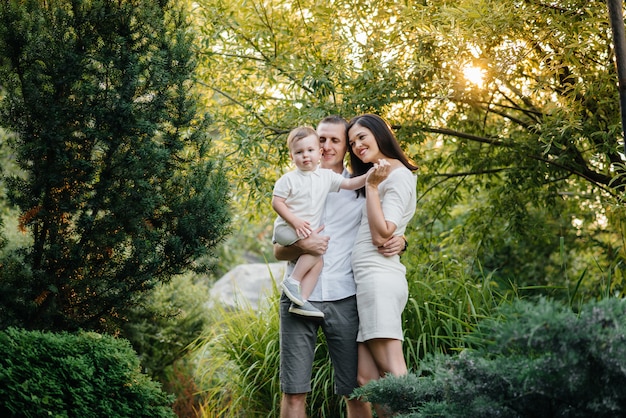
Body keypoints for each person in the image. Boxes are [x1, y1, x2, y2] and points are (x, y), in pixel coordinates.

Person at [274, 116, 407, 418]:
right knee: (294, 393)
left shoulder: (363, 191)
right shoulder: (295, 185)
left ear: (346, 147)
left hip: (345, 299)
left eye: (336, 140)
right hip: (299, 299)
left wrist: (402, 240)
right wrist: (303, 247)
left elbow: (384, 228)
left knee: (357, 391)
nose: (327, 146)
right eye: (322, 139)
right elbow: (278, 250)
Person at [346, 114, 418, 417]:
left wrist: (373, 188)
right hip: (366, 281)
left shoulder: (397, 175)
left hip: (379, 279)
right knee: (366, 381)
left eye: (362, 137)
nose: (358, 145)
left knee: (394, 373)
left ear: (379, 134)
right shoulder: (378, 175)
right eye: (352, 143)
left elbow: (382, 233)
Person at [272, 126, 368, 318]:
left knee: (318, 260)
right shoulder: (289, 180)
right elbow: (277, 204)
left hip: (342, 292)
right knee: (316, 252)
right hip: (288, 230)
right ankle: (293, 282)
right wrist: (298, 228)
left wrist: (370, 176)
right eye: (299, 152)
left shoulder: (329, 179)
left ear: (319, 153)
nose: (306, 155)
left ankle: (301, 299)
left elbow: (350, 184)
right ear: (292, 156)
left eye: (310, 150)